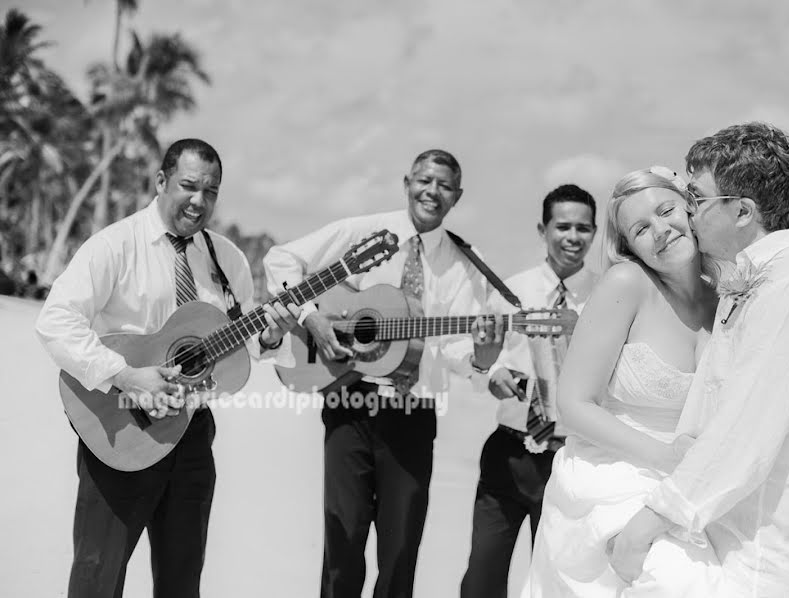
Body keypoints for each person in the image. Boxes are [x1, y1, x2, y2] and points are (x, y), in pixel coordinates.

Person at [35, 138, 301, 598]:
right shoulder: (114, 245)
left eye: (211, 191)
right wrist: (125, 374)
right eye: (189, 186)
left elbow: (244, 341)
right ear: (161, 182)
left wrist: (272, 334)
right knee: (97, 579)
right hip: (121, 433)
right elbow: (55, 320)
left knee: (182, 583)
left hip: (193, 437)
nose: (200, 201)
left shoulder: (228, 259)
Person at [610, 122, 789, 598]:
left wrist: (646, 525)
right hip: (719, 537)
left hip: (759, 558)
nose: (685, 209)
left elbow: (746, 431)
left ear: (742, 211)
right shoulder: (755, 277)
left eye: (696, 198)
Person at [263, 149, 505, 598]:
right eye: (424, 180)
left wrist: (483, 356)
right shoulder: (366, 233)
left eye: (444, 185)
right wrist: (312, 316)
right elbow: (281, 261)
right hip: (347, 402)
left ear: (458, 196)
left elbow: (458, 350)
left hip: (413, 416)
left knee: (400, 554)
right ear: (407, 182)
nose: (432, 192)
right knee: (343, 545)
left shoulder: (467, 264)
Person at [522, 166, 722, 597]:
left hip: (692, 482)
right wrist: (668, 458)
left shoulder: (723, 295)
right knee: (678, 581)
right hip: (610, 476)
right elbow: (573, 406)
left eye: (667, 211)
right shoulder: (626, 283)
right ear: (629, 247)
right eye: (640, 229)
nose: (661, 231)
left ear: (690, 209)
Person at [460, 184, 599, 598]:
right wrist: (491, 371)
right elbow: (478, 365)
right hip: (509, 451)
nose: (572, 237)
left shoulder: (608, 296)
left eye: (583, 228)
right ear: (543, 229)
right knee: (482, 578)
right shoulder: (509, 292)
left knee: (556, 582)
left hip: (573, 459)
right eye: (562, 226)